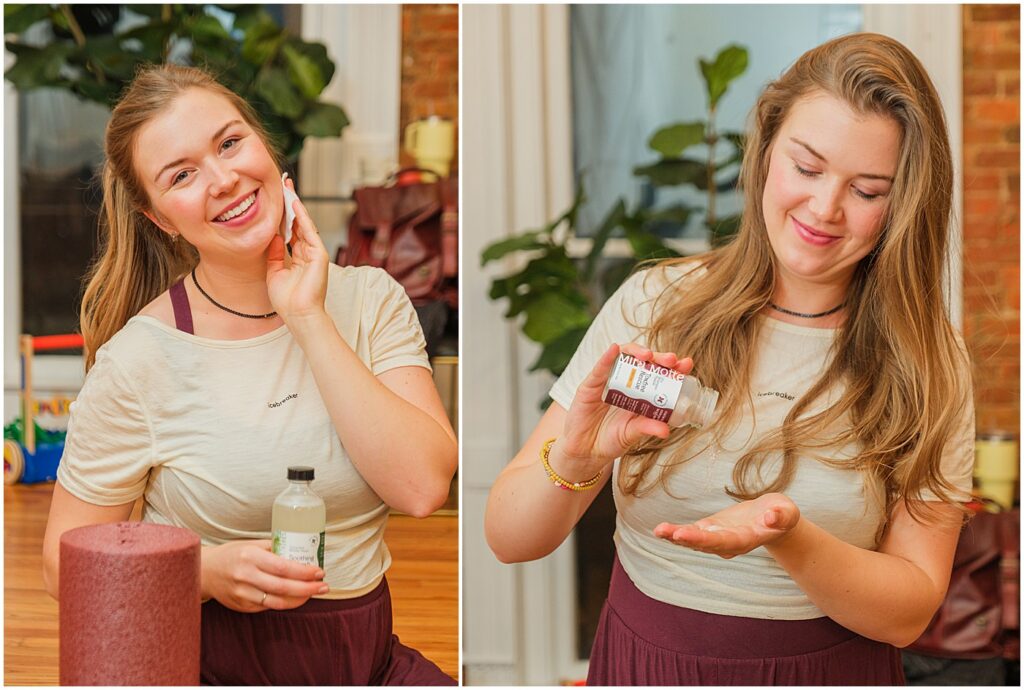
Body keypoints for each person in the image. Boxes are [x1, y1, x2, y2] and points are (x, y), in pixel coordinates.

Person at [485, 33, 975, 686]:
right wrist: (576, 459)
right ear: (767, 148)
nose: (825, 208)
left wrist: (788, 534)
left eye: (867, 190)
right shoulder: (657, 305)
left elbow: (908, 612)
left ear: (904, 204)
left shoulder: (927, 360)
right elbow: (510, 540)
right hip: (646, 665)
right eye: (807, 166)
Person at [41, 64, 458, 686]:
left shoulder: (371, 300)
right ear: (159, 218)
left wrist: (308, 317)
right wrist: (200, 572)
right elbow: (63, 562)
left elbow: (422, 487)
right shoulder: (140, 360)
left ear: (264, 146)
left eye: (230, 142)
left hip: (362, 659)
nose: (223, 178)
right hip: (205, 663)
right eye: (181, 175)